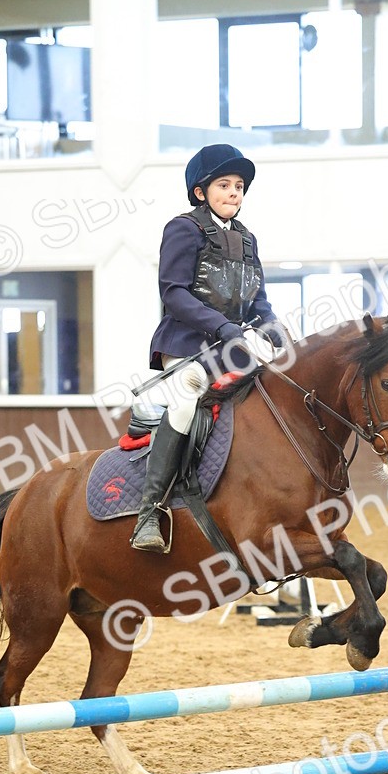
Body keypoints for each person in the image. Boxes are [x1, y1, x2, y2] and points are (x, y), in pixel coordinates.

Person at [130, 143, 286, 552]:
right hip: (186, 343)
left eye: (239, 186)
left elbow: (259, 299)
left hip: (232, 344)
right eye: (224, 185)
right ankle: (151, 510)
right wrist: (222, 325)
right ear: (201, 192)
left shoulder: (248, 239)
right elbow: (174, 293)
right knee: (185, 402)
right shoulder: (183, 228)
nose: (234, 192)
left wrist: (273, 326)